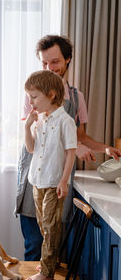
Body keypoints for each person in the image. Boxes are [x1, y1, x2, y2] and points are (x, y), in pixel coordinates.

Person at [15, 35, 121, 265]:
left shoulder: (76, 97)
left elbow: (80, 136)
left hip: (56, 179)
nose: (49, 68)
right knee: (34, 247)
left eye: (54, 62)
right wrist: (74, 145)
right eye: (43, 63)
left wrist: (105, 148)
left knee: (54, 245)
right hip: (33, 176)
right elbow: (35, 135)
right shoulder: (32, 94)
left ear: (67, 60)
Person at [24, 70, 77, 280]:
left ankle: (47, 271)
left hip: (54, 182)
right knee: (42, 224)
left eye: (34, 97)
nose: (31, 102)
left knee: (51, 226)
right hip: (37, 181)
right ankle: (51, 261)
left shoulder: (65, 121)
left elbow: (70, 152)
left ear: (52, 95)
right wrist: (27, 126)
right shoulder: (41, 120)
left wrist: (64, 181)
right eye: (29, 97)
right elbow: (30, 148)